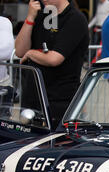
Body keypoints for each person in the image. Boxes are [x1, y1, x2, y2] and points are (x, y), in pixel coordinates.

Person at [15, 0, 89, 129]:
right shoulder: (41, 15)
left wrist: (31, 53)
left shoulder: (75, 18)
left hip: (59, 101)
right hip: (33, 98)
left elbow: (54, 58)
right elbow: (20, 51)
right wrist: (30, 18)